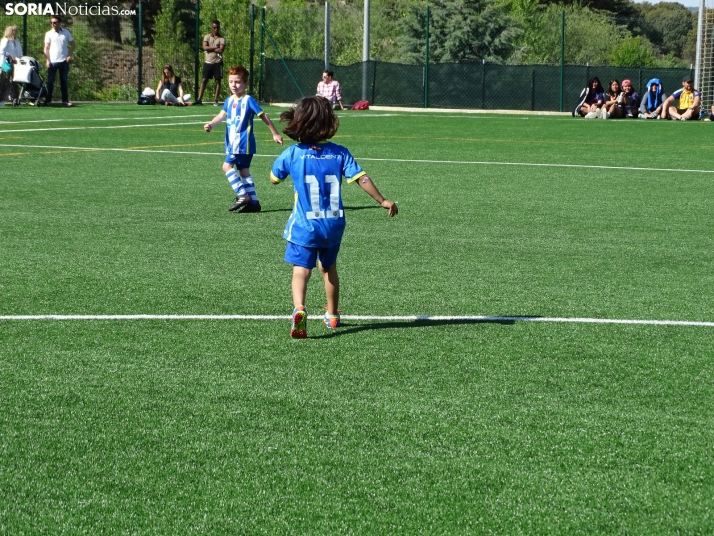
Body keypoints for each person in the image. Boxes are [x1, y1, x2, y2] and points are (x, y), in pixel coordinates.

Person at [270, 96, 398, 338]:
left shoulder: (293, 153)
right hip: (333, 224)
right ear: (328, 122)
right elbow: (362, 178)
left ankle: (299, 309)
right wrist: (382, 200)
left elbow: (274, 178)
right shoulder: (339, 153)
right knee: (328, 268)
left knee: (301, 270)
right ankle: (332, 315)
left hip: (305, 225)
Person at [204, 65, 283, 213]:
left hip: (241, 143)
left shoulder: (248, 100)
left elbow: (264, 116)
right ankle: (254, 203)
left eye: (238, 82)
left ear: (246, 83)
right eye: (231, 82)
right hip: (237, 144)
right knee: (244, 171)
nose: (234, 85)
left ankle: (242, 194)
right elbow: (221, 116)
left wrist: (275, 133)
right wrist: (211, 124)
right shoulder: (229, 100)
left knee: (226, 167)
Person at [43, 15, 75, 107]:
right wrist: (47, 60)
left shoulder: (66, 32)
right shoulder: (48, 34)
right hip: (53, 61)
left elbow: (73, 45)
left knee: (64, 81)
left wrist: (69, 55)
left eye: (55, 22)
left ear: (59, 23)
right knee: (50, 82)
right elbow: (46, 48)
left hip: (63, 61)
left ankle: (65, 101)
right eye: (51, 22)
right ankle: (48, 100)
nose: (53, 24)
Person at [195, 20, 225, 106]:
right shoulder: (207, 37)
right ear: (212, 27)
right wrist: (215, 47)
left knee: (218, 81)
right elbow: (204, 47)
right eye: (214, 27)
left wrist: (210, 48)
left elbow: (221, 50)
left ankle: (215, 99)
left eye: (217, 27)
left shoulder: (222, 39)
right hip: (208, 62)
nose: (216, 29)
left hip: (218, 62)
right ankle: (199, 99)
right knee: (204, 80)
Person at [0, 25, 22, 104]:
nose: (16, 32)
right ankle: (1, 100)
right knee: (4, 82)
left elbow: (19, 52)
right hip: (7, 64)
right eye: (14, 30)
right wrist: (9, 55)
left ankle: (15, 99)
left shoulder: (16, 40)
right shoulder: (5, 40)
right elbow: (1, 51)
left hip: (16, 63)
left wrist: (20, 58)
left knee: (14, 82)